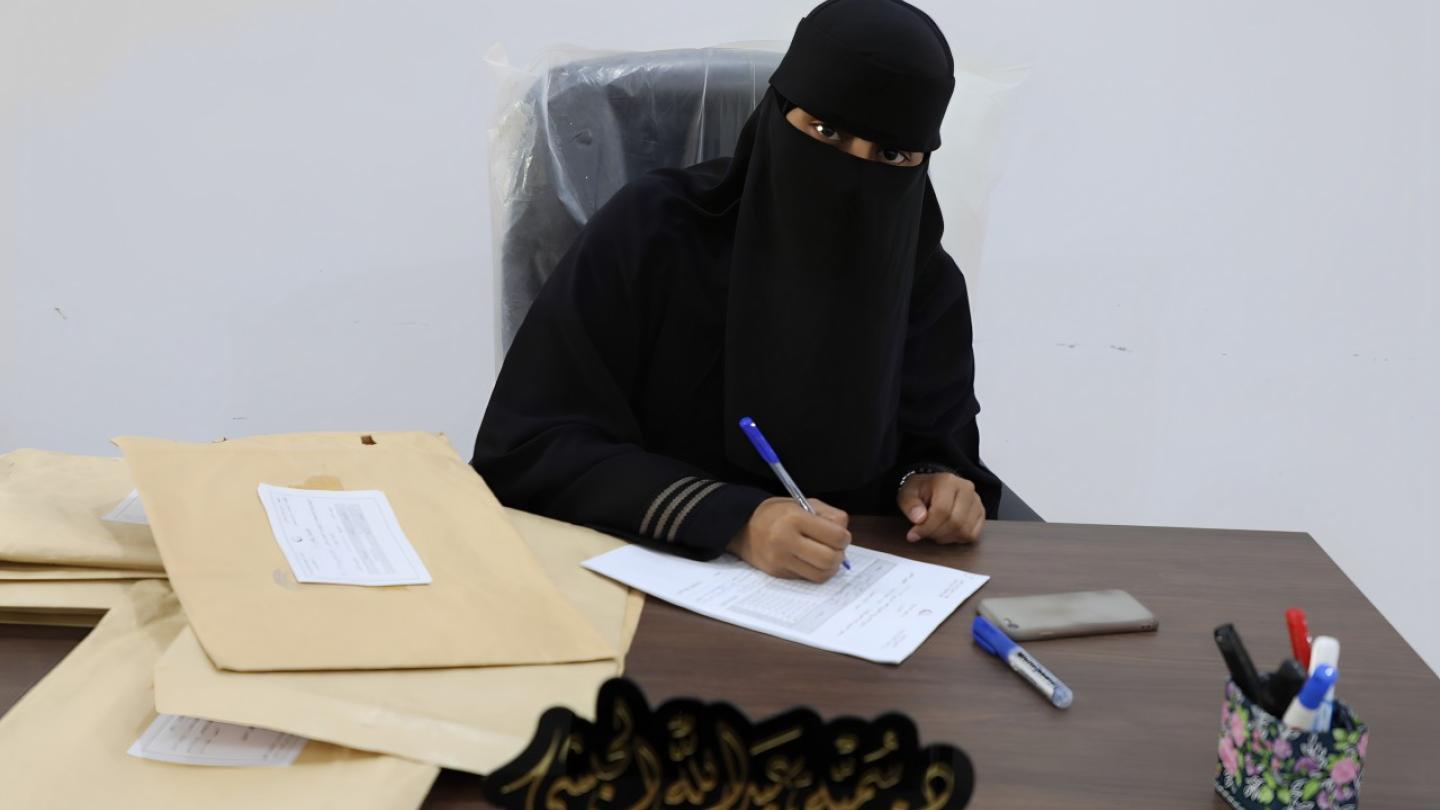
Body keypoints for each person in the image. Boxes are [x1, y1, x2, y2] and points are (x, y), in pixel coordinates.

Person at [472, 0, 1001, 583]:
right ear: (776, 114)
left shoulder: (924, 281)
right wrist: (736, 520)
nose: (853, 173)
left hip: (853, 595)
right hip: (647, 581)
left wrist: (934, 486)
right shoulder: (655, 231)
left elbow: (938, 447)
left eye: (891, 154)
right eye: (825, 130)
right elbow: (529, 445)